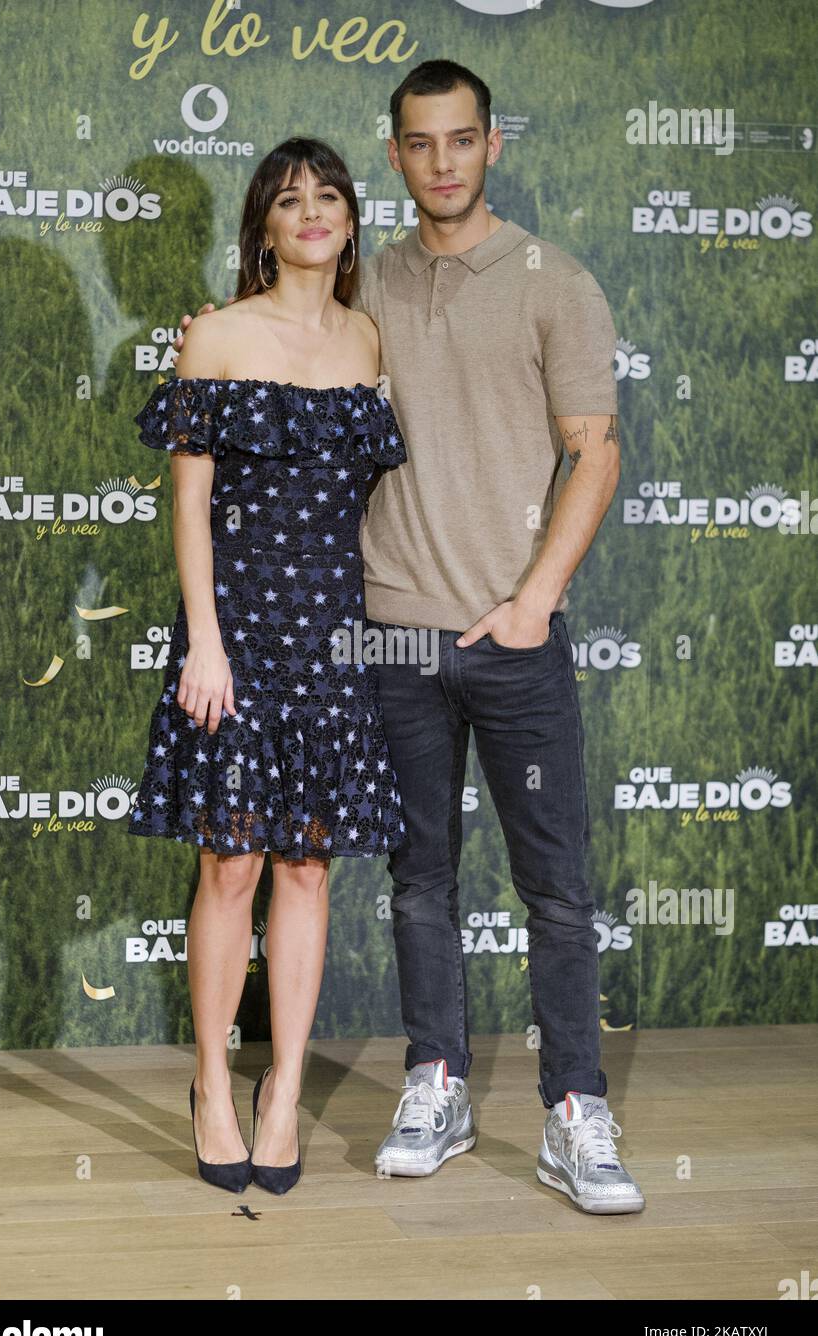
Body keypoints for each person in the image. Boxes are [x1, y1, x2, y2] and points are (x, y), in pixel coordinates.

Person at [174, 60, 645, 1215]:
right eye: (418, 144)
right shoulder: (364, 287)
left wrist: (534, 597)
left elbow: (596, 449)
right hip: (384, 638)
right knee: (418, 880)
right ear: (394, 157)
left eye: (460, 140)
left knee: (554, 884)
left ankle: (575, 1110)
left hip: (511, 634)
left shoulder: (554, 281)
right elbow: (260, 363)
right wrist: (207, 329)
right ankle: (433, 1080)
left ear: (493, 144)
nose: (441, 161)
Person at [128, 137, 408, 1197]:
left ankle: (281, 1090)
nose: (309, 213)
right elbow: (189, 501)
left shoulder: (367, 340)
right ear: (263, 224)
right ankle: (211, 1079)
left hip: (331, 637)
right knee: (230, 864)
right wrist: (202, 638)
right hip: (234, 633)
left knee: (305, 864)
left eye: (327, 196)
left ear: (346, 219)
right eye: (288, 199)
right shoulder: (217, 336)